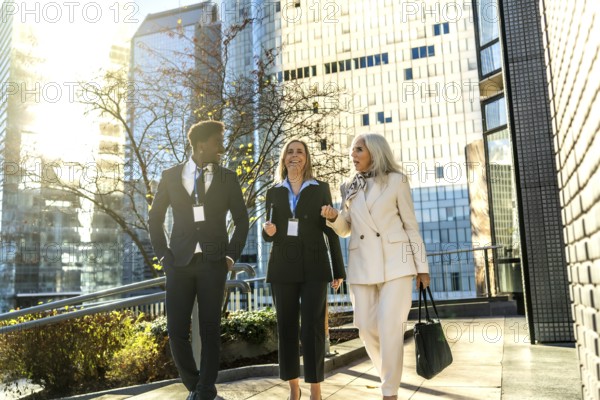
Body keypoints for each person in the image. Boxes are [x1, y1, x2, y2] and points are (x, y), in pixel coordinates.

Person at [320, 133, 430, 400]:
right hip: (362, 264)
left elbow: (410, 226)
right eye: (352, 150)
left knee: (390, 325)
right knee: (366, 327)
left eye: (358, 149)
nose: (352, 155)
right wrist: (335, 218)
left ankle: (389, 392)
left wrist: (422, 267)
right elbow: (347, 228)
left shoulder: (396, 181)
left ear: (375, 152)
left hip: (396, 263)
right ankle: (388, 378)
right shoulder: (350, 186)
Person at [148, 120, 249, 400]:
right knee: (176, 331)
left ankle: (204, 390)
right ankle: (198, 387)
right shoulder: (170, 176)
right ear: (202, 144)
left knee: (210, 330)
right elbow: (154, 220)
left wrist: (229, 257)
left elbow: (242, 221)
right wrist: (164, 257)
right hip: (178, 264)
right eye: (218, 141)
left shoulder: (228, 177)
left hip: (213, 264)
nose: (222, 147)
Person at [262, 139, 346, 400]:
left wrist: (338, 270)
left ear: (306, 158)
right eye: (290, 151)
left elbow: (330, 230)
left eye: (300, 152)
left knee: (312, 328)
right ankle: (294, 388)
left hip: (315, 267)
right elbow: (269, 232)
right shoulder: (273, 191)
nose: (294, 156)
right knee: (286, 327)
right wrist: (268, 232)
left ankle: (316, 390)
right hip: (282, 269)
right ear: (284, 159)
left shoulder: (320, 188)